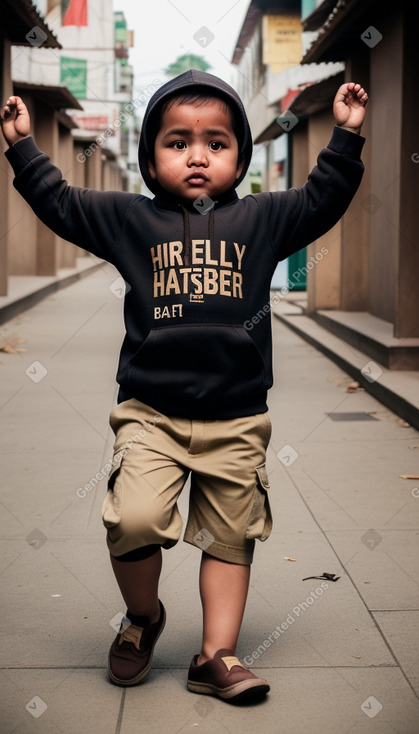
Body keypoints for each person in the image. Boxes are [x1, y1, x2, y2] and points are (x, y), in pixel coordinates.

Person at [1, 70, 367, 704]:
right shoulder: (128, 220)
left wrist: (345, 137)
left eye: (216, 143)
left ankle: (215, 657)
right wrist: (21, 147)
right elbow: (60, 201)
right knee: (134, 519)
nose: (197, 156)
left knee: (231, 535)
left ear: (240, 155)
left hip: (238, 418)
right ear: (149, 155)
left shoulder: (264, 219)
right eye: (177, 142)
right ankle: (143, 620)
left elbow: (323, 197)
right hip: (151, 414)